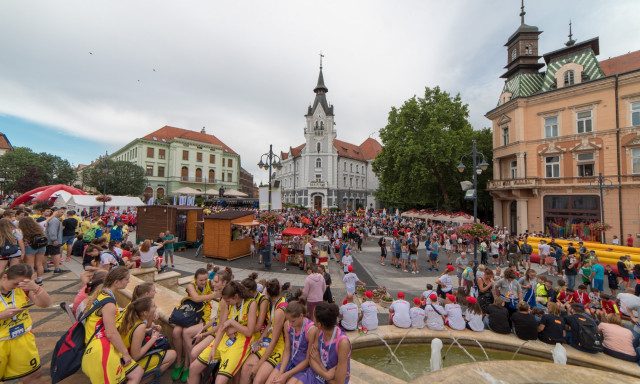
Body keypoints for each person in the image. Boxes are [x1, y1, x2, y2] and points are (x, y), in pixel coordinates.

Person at [81, 267, 143, 384]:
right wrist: (125, 353)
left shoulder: (102, 295)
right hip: (101, 351)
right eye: (126, 279)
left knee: (137, 372)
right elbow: (111, 333)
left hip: (100, 347)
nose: (129, 281)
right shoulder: (109, 303)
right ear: (116, 282)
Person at [189, 281, 258, 384]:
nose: (226, 303)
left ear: (236, 296)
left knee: (220, 380)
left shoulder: (251, 303)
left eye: (228, 301)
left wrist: (232, 323)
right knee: (193, 368)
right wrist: (214, 348)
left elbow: (249, 332)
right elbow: (222, 326)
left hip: (241, 342)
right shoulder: (227, 302)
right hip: (225, 338)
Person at [0, 264, 51, 384]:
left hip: (22, 340)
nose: (18, 287)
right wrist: (2, 316)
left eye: (22, 284)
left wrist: (35, 288)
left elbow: (45, 304)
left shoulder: (23, 288)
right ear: (4, 277)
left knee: (34, 376)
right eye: (15, 284)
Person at [173, 268, 217, 382]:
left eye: (205, 279)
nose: (203, 282)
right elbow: (196, 298)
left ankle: (188, 365)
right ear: (195, 279)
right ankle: (179, 362)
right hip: (190, 313)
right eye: (201, 280)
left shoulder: (210, 283)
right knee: (175, 332)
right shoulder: (190, 285)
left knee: (185, 332)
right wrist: (215, 295)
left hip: (202, 315)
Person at [240, 279, 287, 384]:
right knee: (246, 367)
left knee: (257, 380)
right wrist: (259, 341)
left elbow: (274, 340)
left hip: (278, 348)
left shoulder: (280, 309)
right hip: (269, 342)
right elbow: (269, 325)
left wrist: (258, 364)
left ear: (268, 293)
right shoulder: (275, 303)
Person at [119, 296, 177, 376]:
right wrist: (154, 338)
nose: (156, 307)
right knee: (173, 355)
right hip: (127, 364)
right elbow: (135, 356)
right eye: (153, 306)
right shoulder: (140, 326)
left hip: (120, 357)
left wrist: (149, 329)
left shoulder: (133, 318)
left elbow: (133, 336)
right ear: (145, 312)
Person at [265, 299, 318, 384]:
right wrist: (281, 373)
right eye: (288, 320)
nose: (290, 324)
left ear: (301, 316)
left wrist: (286, 375)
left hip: (302, 366)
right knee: (271, 382)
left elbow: (308, 361)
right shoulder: (287, 325)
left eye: (293, 321)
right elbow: (287, 350)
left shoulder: (311, 330)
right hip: (289, 361)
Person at [309, 303, 350, 384]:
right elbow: (311, 359)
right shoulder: (319, 331)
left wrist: (319, 363)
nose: (311, 318)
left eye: (313, 316)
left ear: (319, 324)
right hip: (321, 375)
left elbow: (339, 382)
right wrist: (326, 374)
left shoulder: (343, 343)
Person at [18, 217, 47, 285]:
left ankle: (31, 281)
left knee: (30, 265)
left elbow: (21, 241)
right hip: (41, 246)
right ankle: (39, 280)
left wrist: (23, 251)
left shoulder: (22, 230)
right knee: (39, 264)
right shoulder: (39, 228)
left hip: (29, 247)